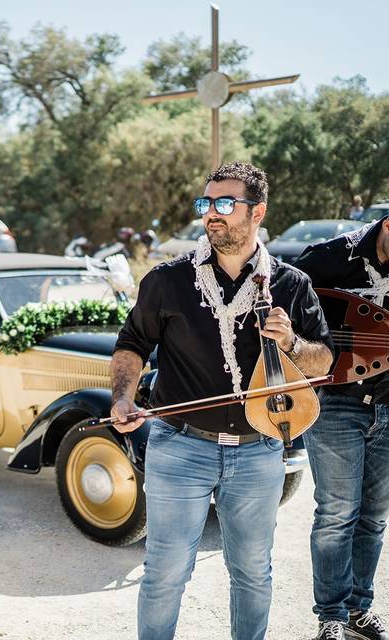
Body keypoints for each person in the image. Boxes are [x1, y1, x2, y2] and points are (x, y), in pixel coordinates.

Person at [110, 161, 334, 640]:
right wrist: (124, 397)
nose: (211, 213)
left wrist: (292, 343)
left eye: (225, 203)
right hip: (179, 447)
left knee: (253, 573)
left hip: (260, 449)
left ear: (257, 213)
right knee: (165, 572)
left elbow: (323, 363)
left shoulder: (291, 285)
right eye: (206, 203)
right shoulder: (167, 280)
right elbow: (132, 343)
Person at [293, 215, 389, 640]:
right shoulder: (331, 258)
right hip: (335, 402)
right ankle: (330, 616)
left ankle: (357, 610)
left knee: (374, 517)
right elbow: (284, 308)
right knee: (336, 514)